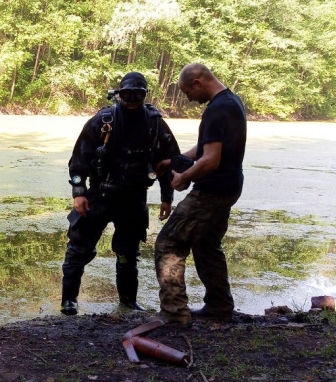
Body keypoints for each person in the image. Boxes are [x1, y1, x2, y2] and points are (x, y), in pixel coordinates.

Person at [61, 72, 180, 315]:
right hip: (100, 195)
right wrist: (79, 192)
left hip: (133, 199)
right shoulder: (104, 120)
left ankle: (127, 302)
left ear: (146, 95)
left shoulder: (155, 123)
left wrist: (167, 196)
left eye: (139, 94)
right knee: (78, 249)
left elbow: (169, 161)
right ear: (119, 93)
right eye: (127, 94)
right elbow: (78, 159)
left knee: (128, 254)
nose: (133, 98)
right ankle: (69, 301)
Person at [153, 63, 247, 327]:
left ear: (197, 82)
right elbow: (207, 148)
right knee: (206, 245)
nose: (188, 99)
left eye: (187, 92)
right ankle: (219, 306)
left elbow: (211, 160)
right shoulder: (232, 101)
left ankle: (174, 313)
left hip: (212, 190)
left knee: (169, 244)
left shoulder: (217, 110)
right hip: (230, 186)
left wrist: (184, 176)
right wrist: (178, 159)